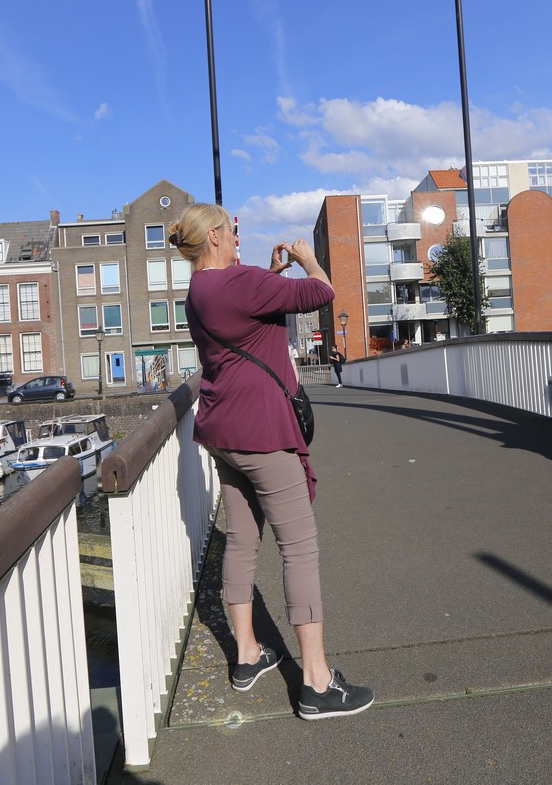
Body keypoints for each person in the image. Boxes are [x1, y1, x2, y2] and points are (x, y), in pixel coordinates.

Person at [169, 203, 374, 720]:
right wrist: (308, 259)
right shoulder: (240, 283)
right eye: (232, 232)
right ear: (214, 237)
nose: (238, 239)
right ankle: (316, 684)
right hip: (262, 433)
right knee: (298, 548)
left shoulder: (198, 291)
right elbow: (322, 293)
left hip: (222, 432)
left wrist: (269, 275)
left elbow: (244, 318)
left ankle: (246, 655)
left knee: (241, 539)